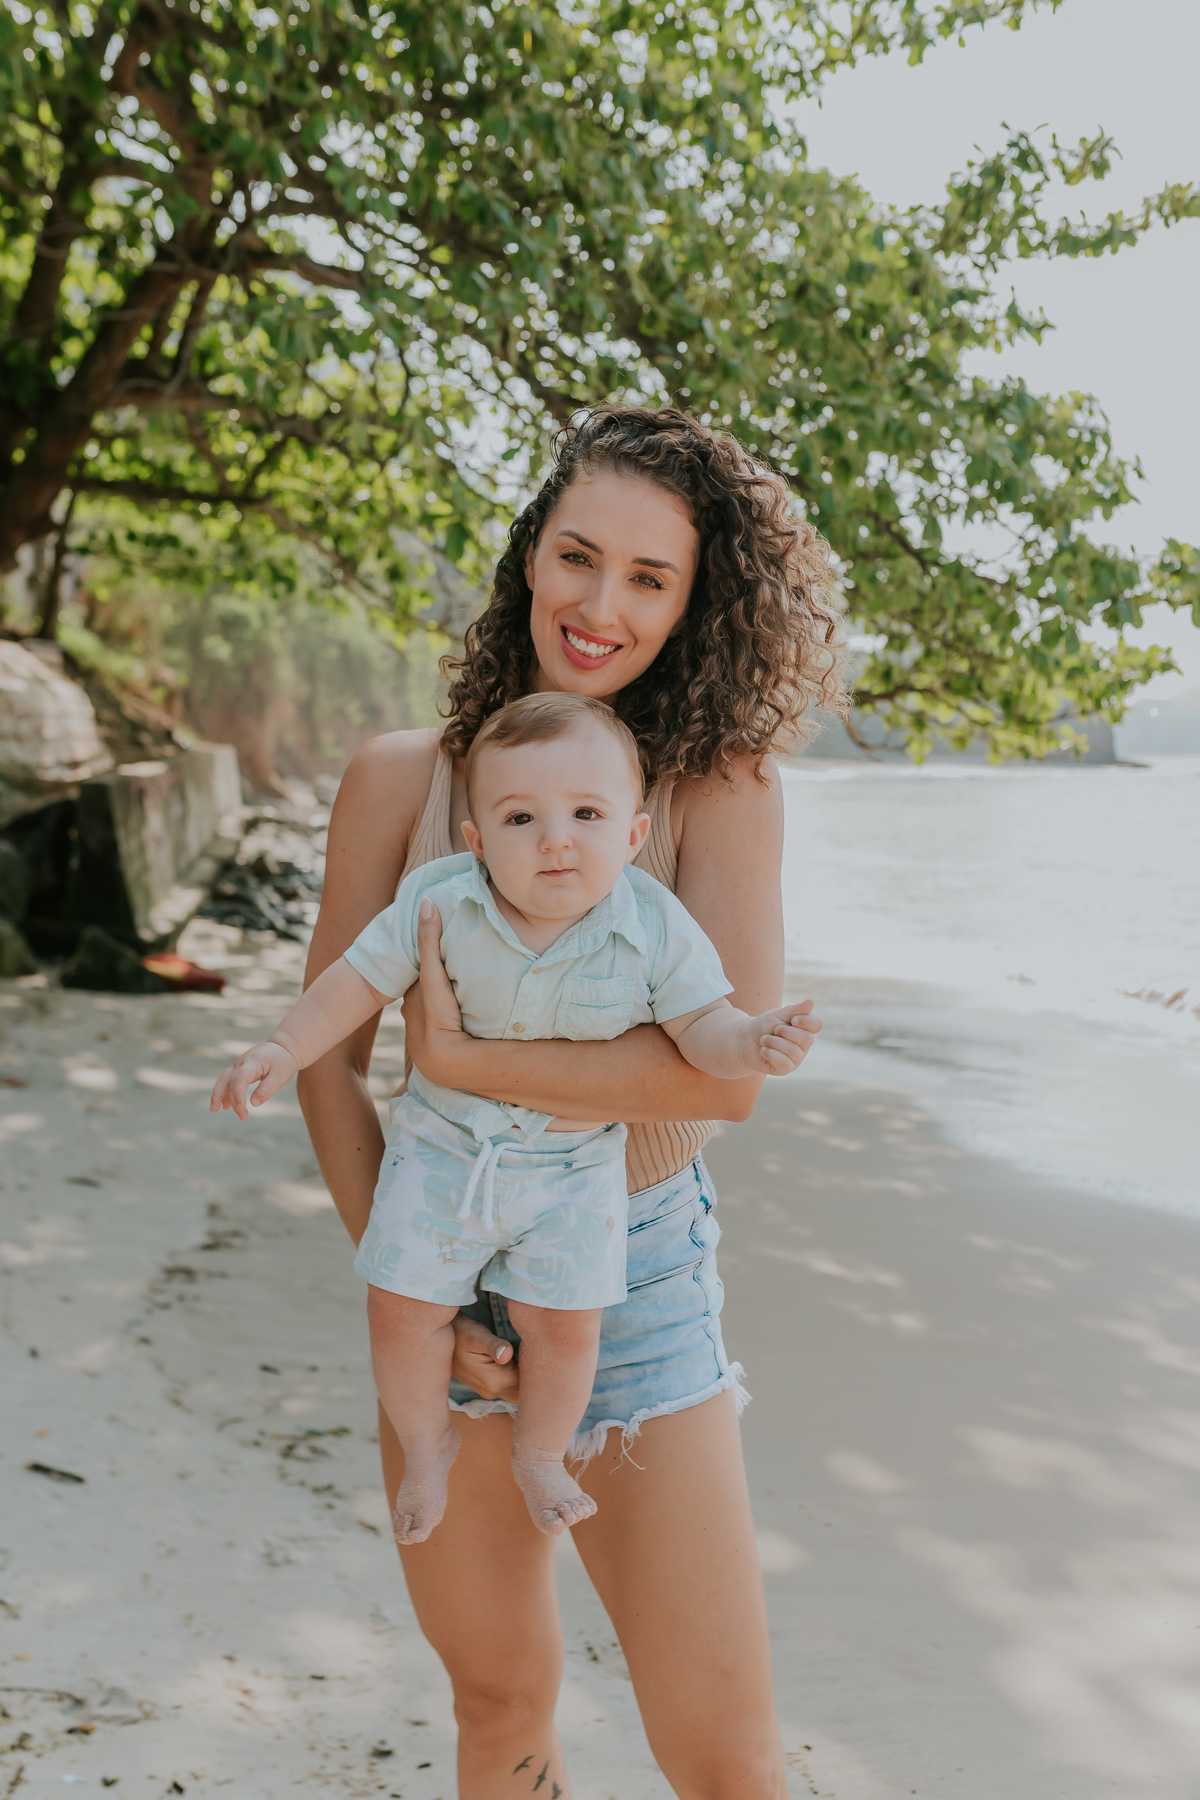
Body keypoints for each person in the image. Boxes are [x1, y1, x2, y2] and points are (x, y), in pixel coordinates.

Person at [296, 407, 841, 1799]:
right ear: (529, 554)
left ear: (694, 604)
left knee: (726, 1764)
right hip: (433, 1273)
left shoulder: (715, 792)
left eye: (650, 579)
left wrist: (473, 1063)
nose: (601, 606)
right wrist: (417, 1273)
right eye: (579, 557)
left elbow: (723, 1085)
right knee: (498, 1705)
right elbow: (326, 1060)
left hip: (635, 1281)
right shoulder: (402, 782)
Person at [210, 692, 816, 1546]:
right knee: (399, 1308)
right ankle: (428, 1446)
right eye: (521, 817)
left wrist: (752, 1039)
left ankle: (540, 1453)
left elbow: (701, 1028)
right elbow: (353, 982)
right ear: (476, 840)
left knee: (568, 1327)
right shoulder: (443, 899)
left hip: (573, 1174)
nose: (554, 838)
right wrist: (282, 1047)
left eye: (585, 814)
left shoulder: (650, 922)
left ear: (633, 836)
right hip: (440, 1160)